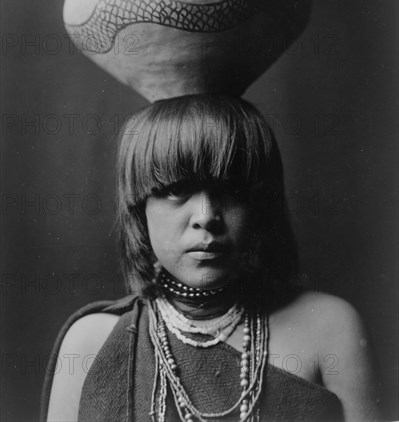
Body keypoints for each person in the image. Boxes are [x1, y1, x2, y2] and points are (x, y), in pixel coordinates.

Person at [42, 94, 380, 422]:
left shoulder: (328, 328)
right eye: (176, 190)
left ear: (261, 205)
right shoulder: (91, 341)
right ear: (139, 209)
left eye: (232, 190)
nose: (206, 216)